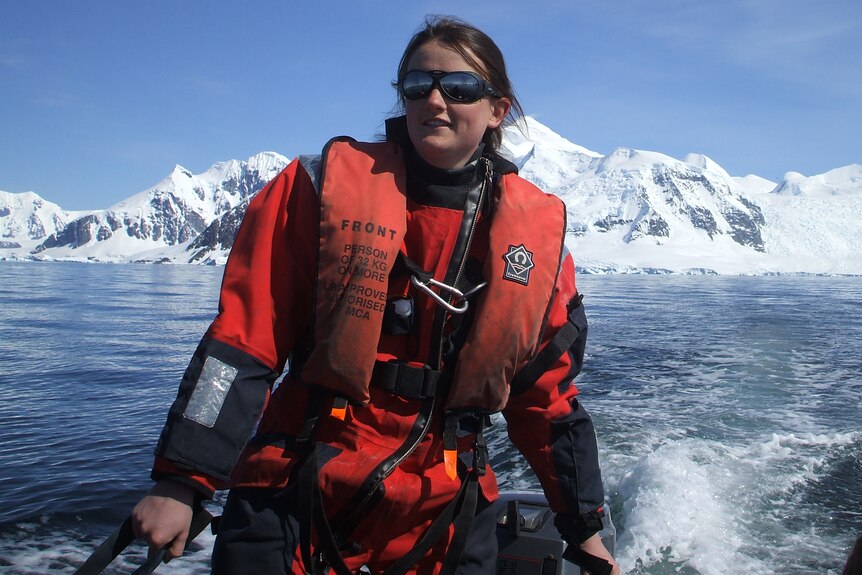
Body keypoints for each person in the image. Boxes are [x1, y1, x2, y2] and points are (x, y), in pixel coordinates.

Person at [132, 15, 619, 575]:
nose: (434, 101)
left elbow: (547, 401)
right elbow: (244, 342)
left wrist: (584, 529)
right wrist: (181, 480)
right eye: (418, 86)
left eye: (458, 88)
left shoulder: (537, 246)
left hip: (445, 503)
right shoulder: (314, 191)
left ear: (497, 110)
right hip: (300, 480)